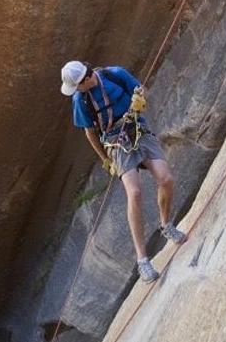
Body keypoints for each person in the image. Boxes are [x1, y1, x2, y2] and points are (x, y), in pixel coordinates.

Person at [60, 60, 187, 283]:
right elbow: (90, 133)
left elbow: (141, 91)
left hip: (137, 128)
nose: (75, 91)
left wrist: (139, 102)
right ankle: (143, 261)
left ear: (83, 80)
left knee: (165, 179)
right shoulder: (80, 100)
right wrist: (106, 160)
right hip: (114, 143)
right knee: (134, 193)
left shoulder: (114, 75)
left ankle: (166, 225)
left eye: (76, 86)